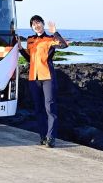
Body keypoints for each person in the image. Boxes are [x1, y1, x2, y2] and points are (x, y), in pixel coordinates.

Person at [18, 15, 68, 148]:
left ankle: (51, 138)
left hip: (47, 77)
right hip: (33, 78)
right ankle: (42, 136)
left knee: (49, 107)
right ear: (31, 27)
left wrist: (55, 32)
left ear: (43, 24)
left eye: (38, 22)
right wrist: (21, 49)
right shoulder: (30, 40)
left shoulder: (50, 39)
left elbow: (64, 45)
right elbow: (30, 59)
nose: (36, 25)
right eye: (33, 24)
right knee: (38, 109)